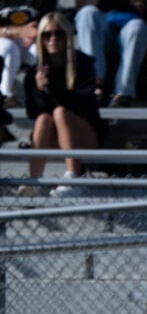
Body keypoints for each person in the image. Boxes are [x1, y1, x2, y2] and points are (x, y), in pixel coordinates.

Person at [24, 12, 103, 186]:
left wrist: (50, 89)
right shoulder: (35, 72)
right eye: (47, 35)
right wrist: (41, 90)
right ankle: (33, 182)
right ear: (41, 39)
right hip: (54, 138)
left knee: (60, 112)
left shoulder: (83, 63)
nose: (53, 39)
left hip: (86, 135)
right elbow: (32, 112)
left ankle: (73, 178)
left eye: (59, 34)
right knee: (43, 119)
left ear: (67, 36)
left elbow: (82, 104)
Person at [0, 0, 57, 129]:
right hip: (4, 42)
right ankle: (6, 95)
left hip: (33, 40)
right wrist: (16, 31)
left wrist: (38, 31)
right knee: (9, 48)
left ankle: (43, 97)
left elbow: (51, 19)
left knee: (42, 52)